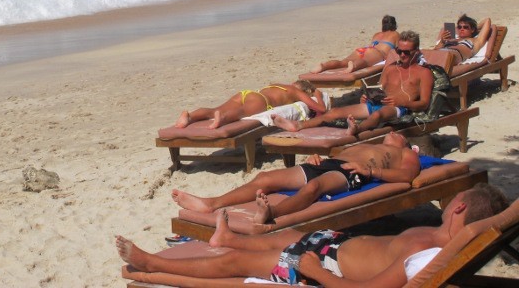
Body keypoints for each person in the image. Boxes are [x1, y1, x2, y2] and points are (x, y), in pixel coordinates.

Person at [117, 184, 510, 286]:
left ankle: (150, 263)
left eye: (455, 198)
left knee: (236, 266)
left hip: (325, 265)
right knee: (289, 234)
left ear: (457, 207)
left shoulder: (429, 248)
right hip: (332, 245)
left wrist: (318, 275)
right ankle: (232, 238)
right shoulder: (440, 238)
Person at [171, 132, 420, 225]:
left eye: (398, 134)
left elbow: (408, 176)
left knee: (315, 187)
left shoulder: (406, 153)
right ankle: (211, 203)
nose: (393, 133)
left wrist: (372, 172)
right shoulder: (369, 142)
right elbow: (338, 153)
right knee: (265, 177)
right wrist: (316, 157)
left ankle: (273, 214)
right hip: (331, 163)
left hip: (354, 173)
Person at [275, 30, 433, 136]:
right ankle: (299, 125)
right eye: (399, 51)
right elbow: (379, 89)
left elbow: (424, 103)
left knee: (378, 114)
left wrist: (403, 101)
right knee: (334, 112)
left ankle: (357, 129)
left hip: (400, 109)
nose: (402, 55)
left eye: (407, 52)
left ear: (417, 51)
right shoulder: (391, 68)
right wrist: (368, 97)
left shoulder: (423, 72)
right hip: (377, 104)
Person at [174, 80, 325, 129]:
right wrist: (316, 92)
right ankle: (223, 119)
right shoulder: (296, 92)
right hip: (261, 101)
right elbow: (321, 108)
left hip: (247, 93)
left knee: (215, 109)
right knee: (240, 112)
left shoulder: (279, 85)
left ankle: (190, 116)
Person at [310, 15, 399, 73]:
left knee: (343, 62)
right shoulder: (395, 34)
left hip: (363, 49)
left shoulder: (377, 34)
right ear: (394, 25)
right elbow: (399, 49)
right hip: (376, 52)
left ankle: (324, 66)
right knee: (365, 62)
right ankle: (354, 66)